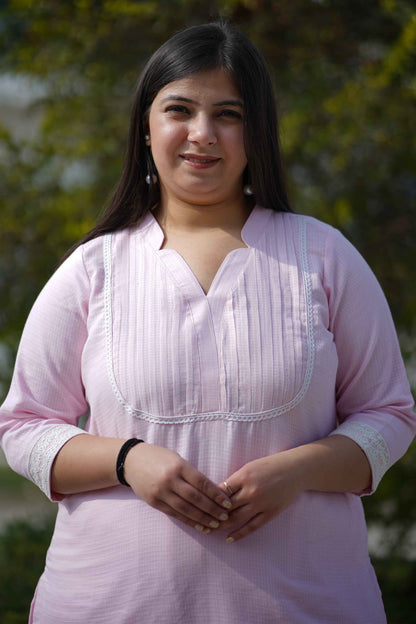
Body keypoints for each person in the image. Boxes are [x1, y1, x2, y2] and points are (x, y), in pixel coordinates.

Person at [0, 20, 415, 624]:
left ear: (258, 132)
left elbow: (391, 415)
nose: (202, 133)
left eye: (229, 114)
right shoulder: (94, 269)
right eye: (179, 109)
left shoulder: (323, 257)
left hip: (310, 605)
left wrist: (301, 469)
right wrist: (127, 460)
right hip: (107, 607)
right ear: (146, 127)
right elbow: (22, 427)